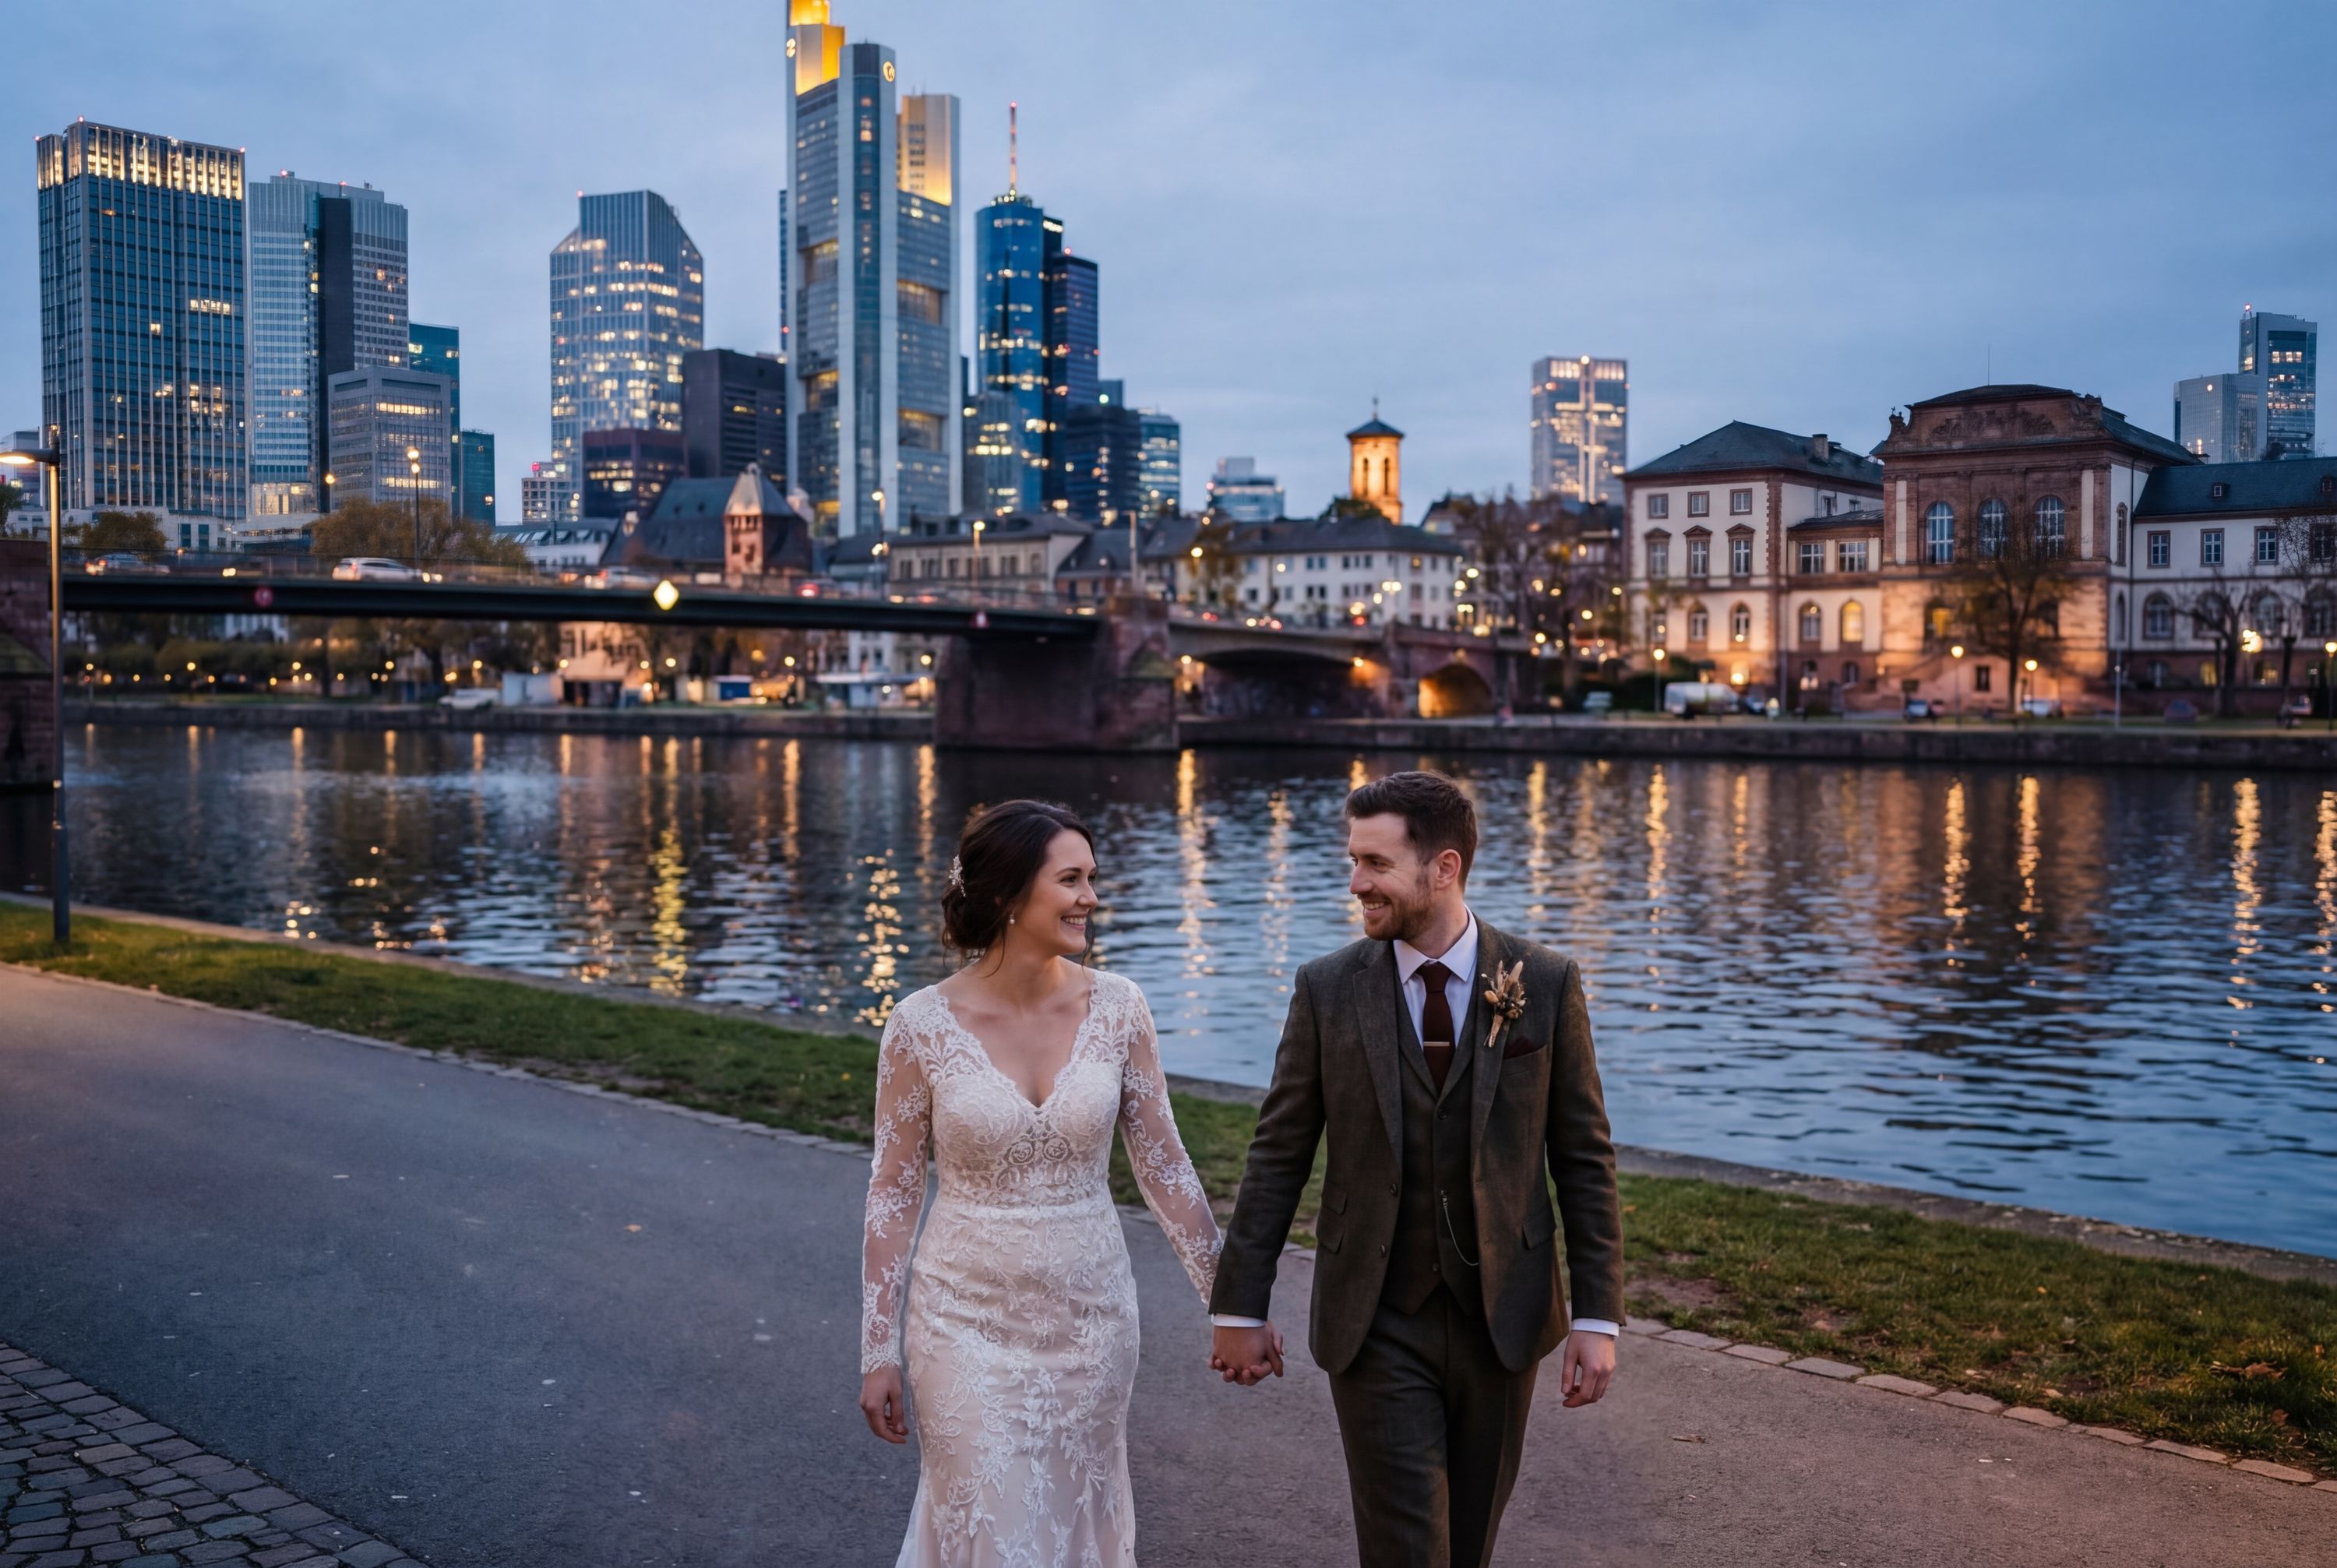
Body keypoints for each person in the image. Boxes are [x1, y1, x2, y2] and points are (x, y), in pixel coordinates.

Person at [1207, 769, 1625, 1568]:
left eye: (1375, 863)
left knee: (1468, 1547)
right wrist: (1239, 1304)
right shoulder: (1328, 989)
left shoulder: (1543, 982)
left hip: (1504, 1315)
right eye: (1354, 861)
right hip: (1375, 1318)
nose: (1356, 882)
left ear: (1445, 869)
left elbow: (1583, 1157)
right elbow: (1278, 1153)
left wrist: (1597, 1318)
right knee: (1407, 1550)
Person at [858, 798, 1225, 1565]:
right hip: (961, 1321)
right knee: (995, 1534)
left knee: (1072, 1530)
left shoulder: (1121, 1008)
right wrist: (876, 1350)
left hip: (1089, 1326)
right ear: (1006, 895)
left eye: (1091, 877)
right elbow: (893, 1196)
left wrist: (1233, 1303)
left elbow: (1165, 1166)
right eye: (1071, 879)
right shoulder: (919, 1026)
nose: (1091, 896)